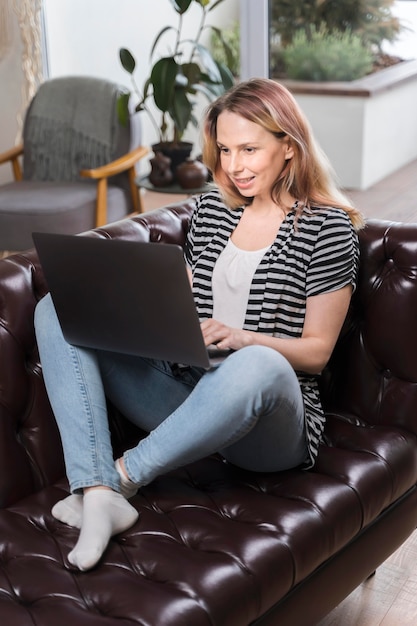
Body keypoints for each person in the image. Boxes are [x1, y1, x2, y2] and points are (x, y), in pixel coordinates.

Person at [34, 77, 364, 572]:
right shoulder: (212, 208)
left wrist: (243, 337)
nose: (234, 166)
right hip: (190, 392)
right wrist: (139, 307)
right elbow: (183, 296)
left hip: (269, 425)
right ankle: (97, 490)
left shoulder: (328, 227)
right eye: (226, 149)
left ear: (289, 147)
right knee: (56, 308)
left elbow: (317, 351)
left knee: (257, 363)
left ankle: (120, 478)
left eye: (250, 149)